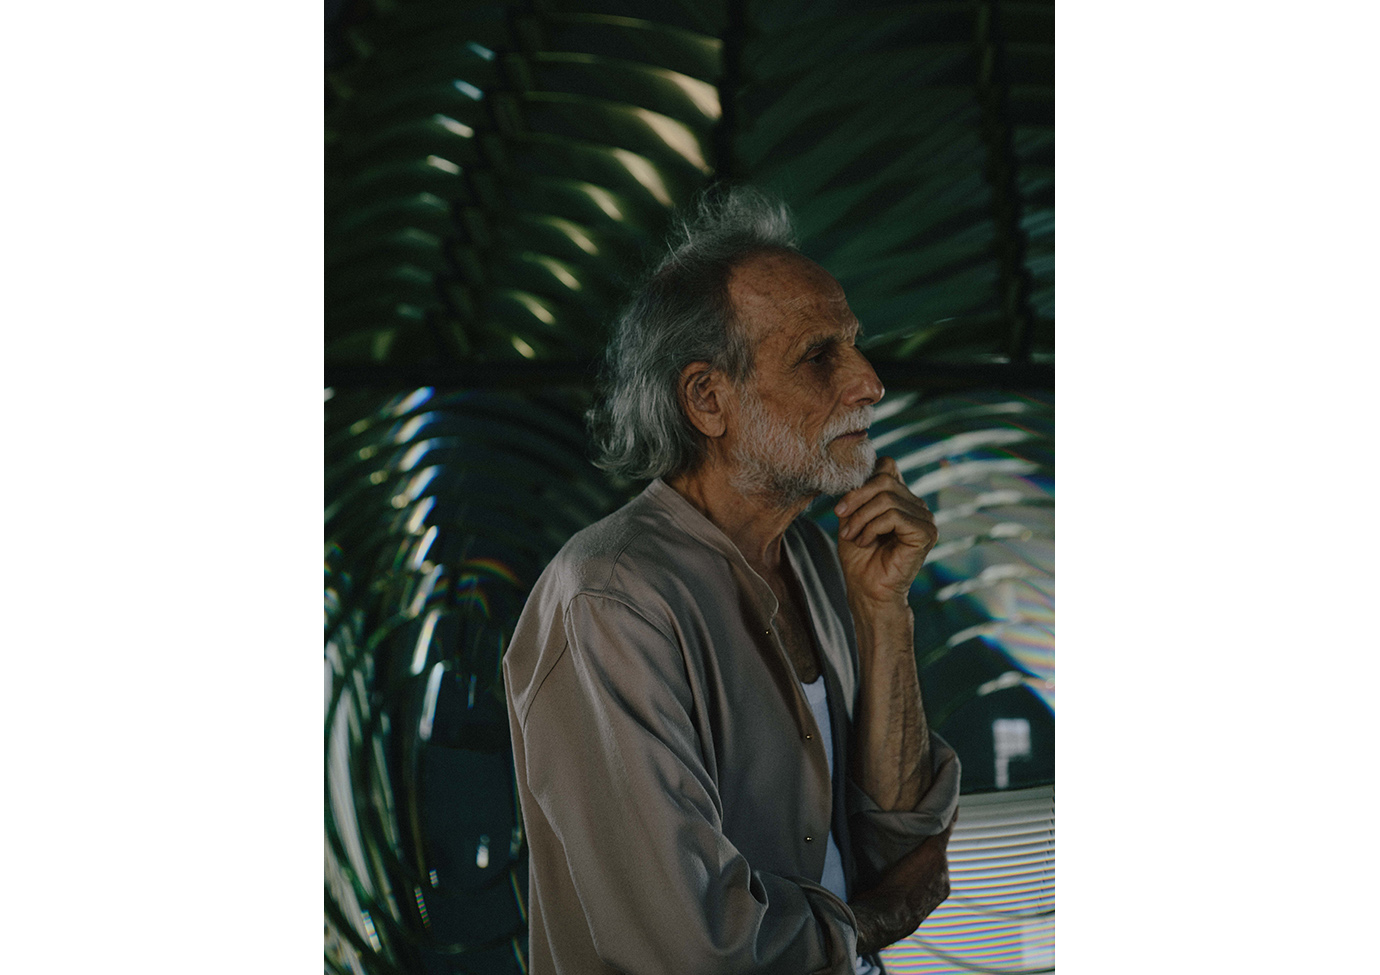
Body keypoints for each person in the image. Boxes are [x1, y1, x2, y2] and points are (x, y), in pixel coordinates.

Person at [502, 187, 960, 974]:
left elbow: (900, 844)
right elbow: (696, 943)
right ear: (708, 399)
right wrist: (871, 921)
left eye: (855, 346)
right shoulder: (608, 599)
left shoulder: (820, 558)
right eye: (819, 356)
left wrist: (884, 610)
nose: (869, 382)